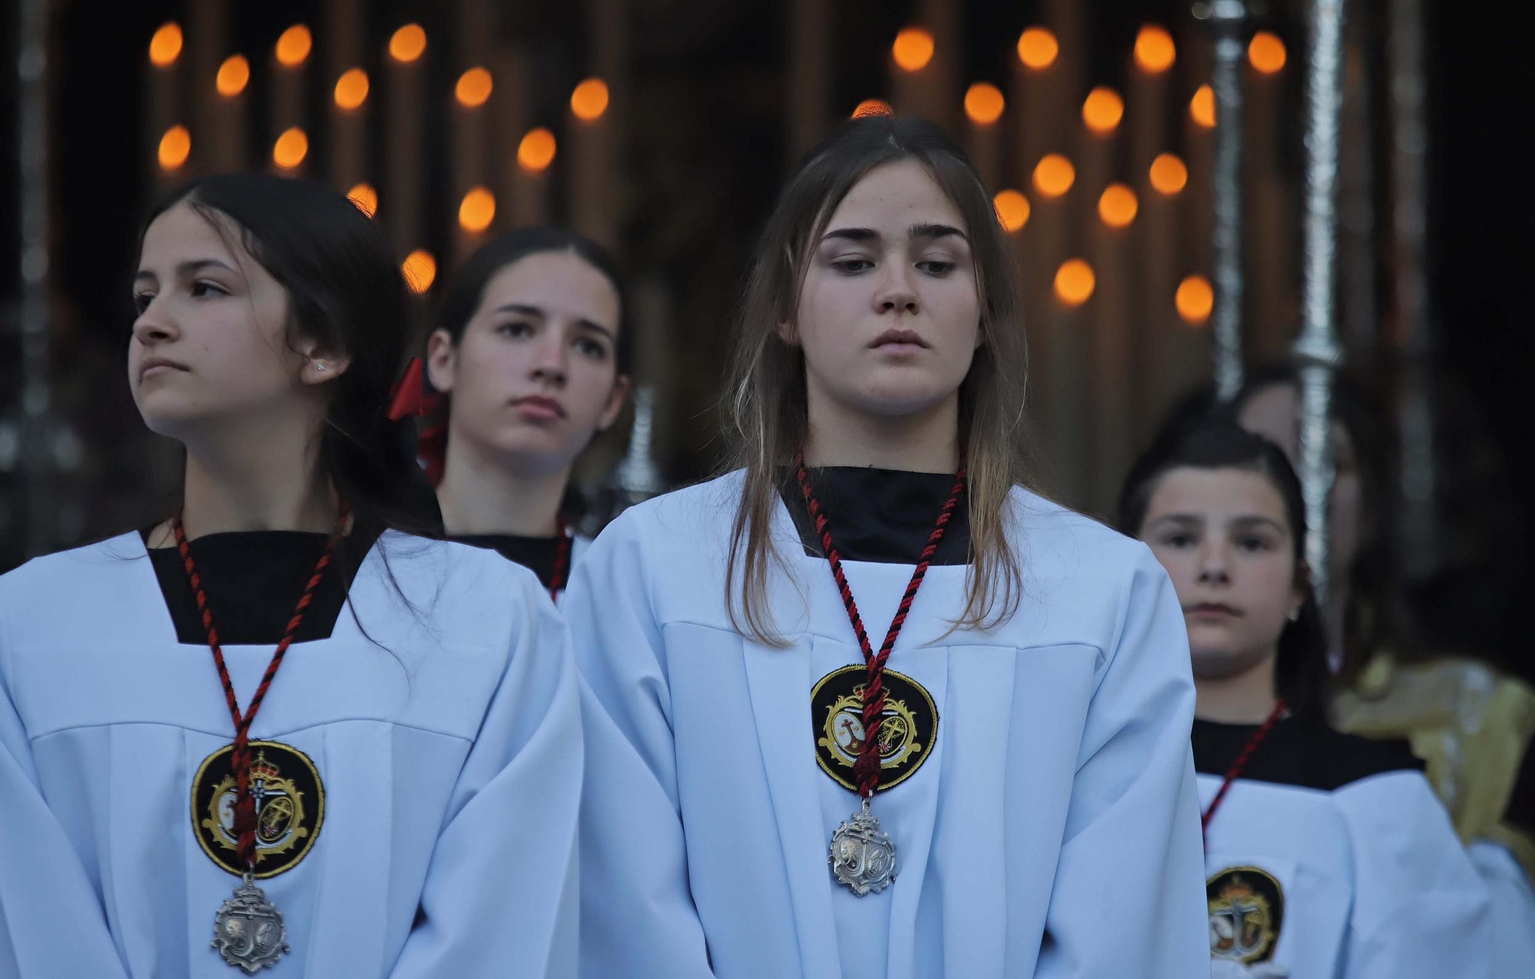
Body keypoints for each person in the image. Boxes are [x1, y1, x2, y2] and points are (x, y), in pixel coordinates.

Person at [565, 116, 1210, 978]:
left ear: (983, 313)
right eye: (854, 260)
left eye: (937, 263)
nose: (898, 291)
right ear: (788, 309)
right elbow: (624, 905)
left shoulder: (1102, 591)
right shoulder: (653, 569)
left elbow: (1121, 924)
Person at [0, 175, 581, 977]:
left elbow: (501, 930)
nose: (153, 324)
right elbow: (31, 925)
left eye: (205, 287)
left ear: (323, 345)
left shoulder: (483, 620)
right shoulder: (33, 623)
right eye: (144, 296)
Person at [1120, 418, 1492, 978]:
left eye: (1251, 542)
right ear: (1123, 571)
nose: (1214, 567)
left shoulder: (1372, 798)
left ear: (1299, 586)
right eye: (1180, 538)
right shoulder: (1070, 770)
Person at [1232, 367, 1535, 976]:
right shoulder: (1147, 718)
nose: (1294, 489)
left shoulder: (1476, 715)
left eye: (1328, 462)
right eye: (1256, 461)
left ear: (1375, 504)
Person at [415, 227, 631, 603]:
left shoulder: (622, 598)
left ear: (613, 400)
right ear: (444, 359)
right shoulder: (351, 571)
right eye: (516, 329)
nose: (551, 365)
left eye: (587, 346)